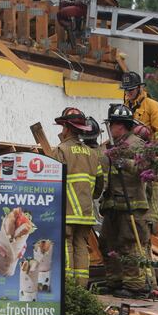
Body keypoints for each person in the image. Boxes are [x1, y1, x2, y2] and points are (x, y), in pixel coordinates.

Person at [98, 104, 152, 298]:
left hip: (132, 205)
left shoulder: (136, 143)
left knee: (128, 245)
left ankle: (135, 286)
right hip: (112, 205)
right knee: (106, 243)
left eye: (112, 124)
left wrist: (125, 163)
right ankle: (115, 281)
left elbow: (147, 168)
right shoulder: (111, 145)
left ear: (120, 125)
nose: (110, 128)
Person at [52, 108, 101, 287]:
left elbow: (53, 182)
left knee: (66, 245)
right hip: (86, 212)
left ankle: (68, 288)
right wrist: (88, 197)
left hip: (67, 211)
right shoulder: (93, 153)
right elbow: (100, 184)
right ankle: (81, 286)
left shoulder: (61, 150)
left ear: (66, 128)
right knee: (82, 247)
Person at [121, 71, 158, 141]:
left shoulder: (152, 105)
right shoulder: (124, 107)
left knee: (141, 130)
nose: (128, 92)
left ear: (139, 88)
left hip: (147, 146)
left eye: (131, 89)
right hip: (129, 145)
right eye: (126, 89)